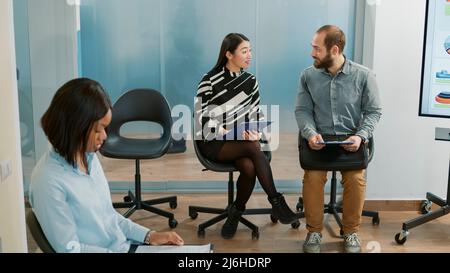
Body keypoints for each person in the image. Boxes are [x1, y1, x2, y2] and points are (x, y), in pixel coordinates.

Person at [29, 78, 184, 253]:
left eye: (105, 128)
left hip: (121, 247)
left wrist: (149, 235)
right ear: (74, 126)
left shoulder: (88, 157)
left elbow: (108, 217)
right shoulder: (48, 181)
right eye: (98, 129)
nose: (104, 136)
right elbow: (70, 249)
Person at [194, 33, 299, 239]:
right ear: (229, 54)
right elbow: (201, 118)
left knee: (249, 167)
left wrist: (255, 130)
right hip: (214, 142)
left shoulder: (251, 81)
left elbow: (255, 113)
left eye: (250, 50)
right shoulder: (209, 80)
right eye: (244, 51)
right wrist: (226, 132)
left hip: (241, 140)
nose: (249, 55)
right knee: (252, 147)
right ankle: (276, 201)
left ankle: (235, 212)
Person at [295, 25, 382, 253]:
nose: (312, 53)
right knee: (312, 178)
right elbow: (302, 111)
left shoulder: (364, 75)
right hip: (319, 140)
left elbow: (374, 111)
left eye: (317, 48)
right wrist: (310, 133)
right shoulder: (308, 76)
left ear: (334, 50)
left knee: (355, 179)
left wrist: (360, 136)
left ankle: (351, 232)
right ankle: (314, 232)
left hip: (350, 142)